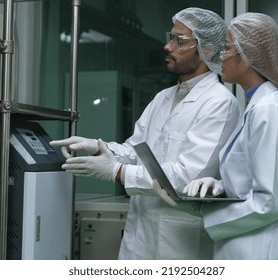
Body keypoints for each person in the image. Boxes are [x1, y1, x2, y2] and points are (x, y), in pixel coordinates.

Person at [50, 7, 241, 259]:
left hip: (179, 243)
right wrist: (99, 147)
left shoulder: (220, 103)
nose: (168, 46)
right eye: (170, 38)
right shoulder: (163, 98)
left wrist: (117, 172)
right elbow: (136, 150)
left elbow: (189, 177)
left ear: (206, 49)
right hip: (140, 236)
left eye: (179, 41)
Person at [154, 12, 278, 259]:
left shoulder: (272, 110)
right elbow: (255, 180)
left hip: (264, 253)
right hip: (244, 248)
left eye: (226, 48)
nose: (219, 56)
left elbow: (270, 202)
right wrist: (222, 187)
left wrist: (204, 211)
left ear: (249, 55)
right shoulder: (256, 107)